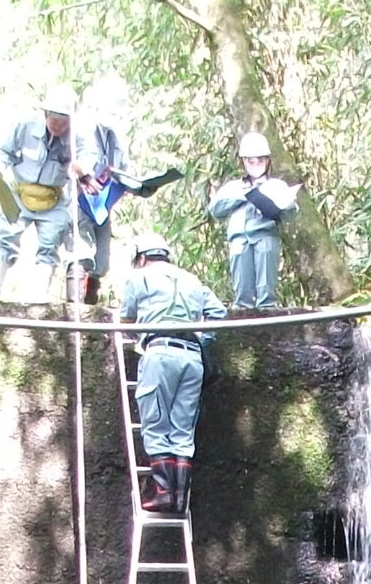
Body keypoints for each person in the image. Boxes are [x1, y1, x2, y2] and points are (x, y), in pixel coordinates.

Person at [116, 234, 227, 515]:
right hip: (192, 357)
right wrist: (203, 339)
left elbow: (127, 317)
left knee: (155, 423)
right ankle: (179, 498)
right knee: (182, 428)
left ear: (141, 258)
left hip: (161, 351)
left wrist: (137, 333)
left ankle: (164, 493)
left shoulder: (138, 277)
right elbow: (218, 312)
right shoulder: (191, 279)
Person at [0, 85, 124, 303]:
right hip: (20, 192)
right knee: (7, 238)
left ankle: (37, 298)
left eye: (64, 121)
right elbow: (2, 152)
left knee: (49, 246)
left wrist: (82, 169)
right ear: (45, 115)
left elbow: (88, 155)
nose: (58, 125)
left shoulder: (78, 136)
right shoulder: (24, 126)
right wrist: (0, 172)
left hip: (53, 199)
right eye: (54, 119)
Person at [206, 130, 300, 311]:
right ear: (244, 162)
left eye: (260, 160)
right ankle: (243, 309)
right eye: (251, 161)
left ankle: (268, 307)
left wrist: (285, 204)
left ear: (267, 161)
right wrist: (243, 195)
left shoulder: (275, 185)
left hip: (265, 235)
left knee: (266, 278)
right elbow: (216, 210)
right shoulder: (234, 187)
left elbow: (289, 213)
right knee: (241, 278)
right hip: (239, 239)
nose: (256, 164)